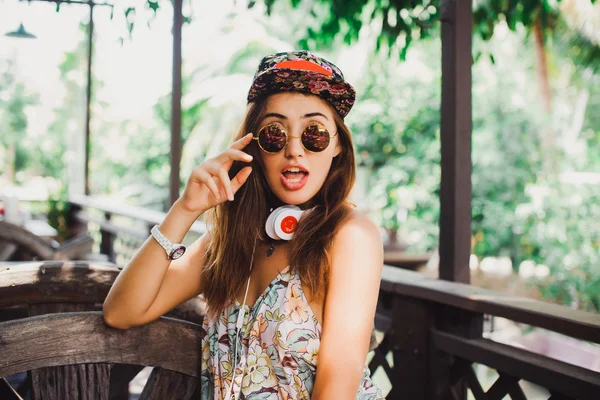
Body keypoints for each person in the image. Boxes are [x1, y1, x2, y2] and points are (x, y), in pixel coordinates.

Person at [103, 50, 384, 399]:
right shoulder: (230, 241)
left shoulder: (351, 237)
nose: (294, 150)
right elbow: (121, 312)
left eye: (314, 133)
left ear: (337, 145)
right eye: (274, 134)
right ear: (254, 147)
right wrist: (185, 209)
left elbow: (335, 391)